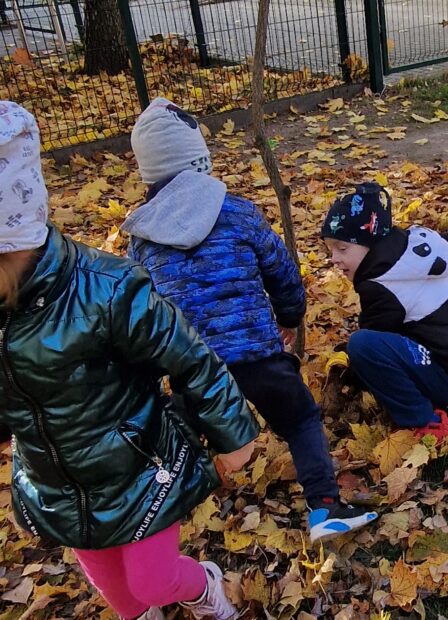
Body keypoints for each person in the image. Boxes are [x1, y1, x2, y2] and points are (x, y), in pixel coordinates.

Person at [0, 100, 258, 620]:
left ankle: (202, 588)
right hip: (57, 483)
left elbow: (189, 356)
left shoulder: (107, 290)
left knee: (153, 580)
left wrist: (233, 432)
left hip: (138, 468)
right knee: (119, 594)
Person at [121, 98, 377, 543]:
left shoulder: (141, 240)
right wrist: (290, 316)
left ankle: (164, 532)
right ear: (200, 159)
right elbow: (281, 270)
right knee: (298, 419)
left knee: (184, 442)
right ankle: (325, 507)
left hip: (193, 369)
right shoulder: (237, 212)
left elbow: (140, 308)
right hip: (258, 355)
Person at [321, 182, 448, 440]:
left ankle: (427, 422)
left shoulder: (383, 283)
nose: (333, 258)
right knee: (367, 346)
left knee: (362, 345)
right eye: (330, 249)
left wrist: (350, 371)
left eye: (342, 248)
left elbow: (373, 343)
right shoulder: (402, 258)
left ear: (370, 243)